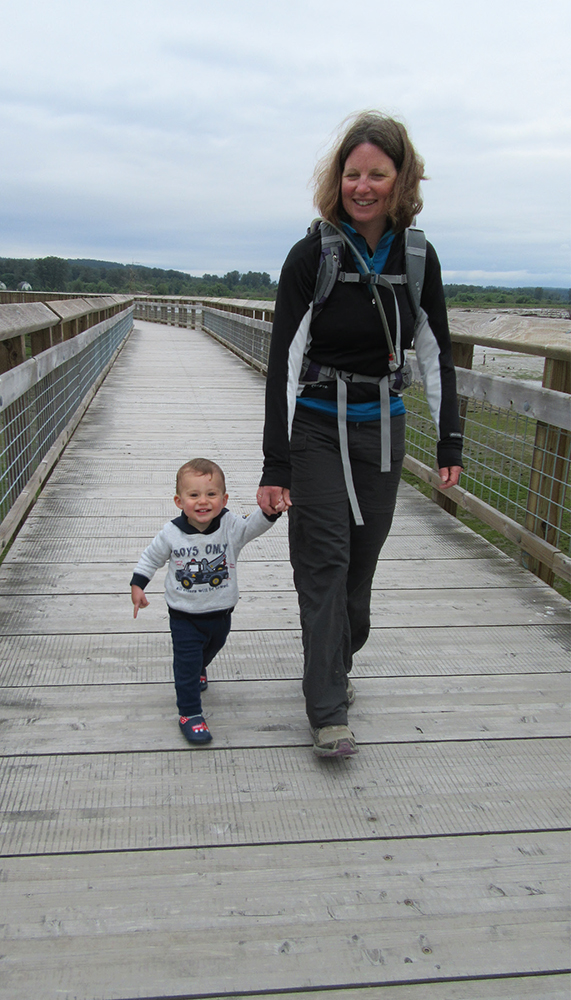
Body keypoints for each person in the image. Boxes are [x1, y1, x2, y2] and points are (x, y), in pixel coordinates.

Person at [257, 111, 463, 758]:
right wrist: (275, 463)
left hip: (382, 431)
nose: (362, 185)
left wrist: (448, 442)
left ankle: (336, 665)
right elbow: (283, 361)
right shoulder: (311, 255)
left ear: (400, 179)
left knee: (357, 580)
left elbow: (435, 355)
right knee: (324, 565)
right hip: (317, 427)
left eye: (376, 173)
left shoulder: (417, 258)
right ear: (336, 179)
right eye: (351, 173)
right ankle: (326, 710)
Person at [131, 458, 280, 745]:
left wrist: (269, 513)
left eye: (211, 495)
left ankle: (201, 667)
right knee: (186, 663)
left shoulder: (230, 526)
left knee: (212, 648)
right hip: (184, 615)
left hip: (221, 614)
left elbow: (253, 527)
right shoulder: (171, 534)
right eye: (194, 495)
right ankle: (189, 713)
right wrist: (138, 584)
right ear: (179, 500)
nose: (203, 502)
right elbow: (150, 558)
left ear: (224, 499)